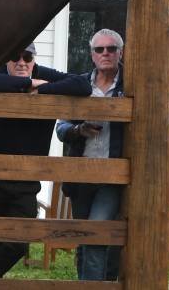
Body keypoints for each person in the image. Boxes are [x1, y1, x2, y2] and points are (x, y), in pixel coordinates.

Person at [0, 42, 89, 278]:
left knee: (21, 239)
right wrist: (29, 84)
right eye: (15, 57)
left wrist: (43, 91)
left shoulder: (45, 74)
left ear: (34, 60)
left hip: (26, 177)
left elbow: (83, 84)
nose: (22, 62)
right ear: (6, 60)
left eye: (27, 57)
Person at [55, 29, 127, 281]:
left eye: (111, 48)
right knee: (83, 239)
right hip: (80, 174)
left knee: (95, 236)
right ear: (91, 55)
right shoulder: (79, 84)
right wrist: (78, 129)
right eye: (99, 49)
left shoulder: (130, 85)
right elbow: (61, 127)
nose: (105, 53)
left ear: (121, 52)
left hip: (112, 177)